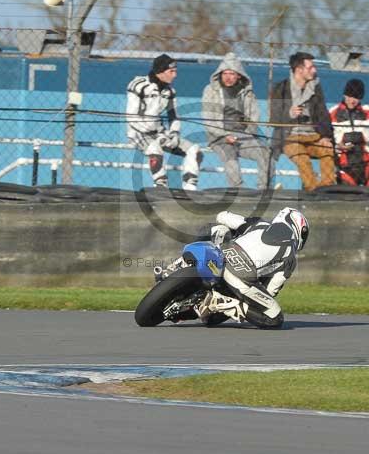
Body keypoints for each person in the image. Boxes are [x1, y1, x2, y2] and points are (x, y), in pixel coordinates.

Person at [199, 207, 308, 329]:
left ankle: (186, 264)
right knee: (275, 318)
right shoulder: (291, 257)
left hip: (218, 255)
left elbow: (222, 216)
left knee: (219, 229)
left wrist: (237, 232)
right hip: (240, 277)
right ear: (299, 228)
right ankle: (227, 304)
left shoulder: (258, 223)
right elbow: (271, 290)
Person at [126, 54, 202, 190]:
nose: (175, 75)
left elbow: (173, 116)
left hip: (159, 133)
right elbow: (131, 117)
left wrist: (174, 133)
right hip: (137, 133)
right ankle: (160, 186)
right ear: (160, 71)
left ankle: (190, 187)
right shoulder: (138, 85)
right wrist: (156, 136)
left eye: (176, 71)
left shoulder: (170, 91)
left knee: (194, 150)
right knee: (155, 149)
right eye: (171, 71)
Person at [201, 52, 270, 190]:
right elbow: (208, 119)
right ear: (219, 74)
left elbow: (253, 118)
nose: (228, 77)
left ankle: (263, 190)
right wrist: (224, 135)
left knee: (265, 152)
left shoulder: (247, 93)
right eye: (224, 73)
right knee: (230, 155)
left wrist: (249, 133)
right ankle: (239, 190)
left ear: (239, 75)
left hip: (242, 136)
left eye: (232, 74)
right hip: (218, 137)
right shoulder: (211, 91)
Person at [269, 52, 335, 191]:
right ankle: (312, 191)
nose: (314, 70)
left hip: (313, 136)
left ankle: (328, 189)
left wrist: (325, 136)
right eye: (310, 67)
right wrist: (289, 114)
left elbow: (323, 113)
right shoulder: (280, 89)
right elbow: (274, 119)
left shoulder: (315, 88)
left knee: (327, 150)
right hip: (290, 137)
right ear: (299, 70)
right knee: (302, 158)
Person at [329, 78, 369, 186]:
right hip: (344, 166)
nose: (352, 100)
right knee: (348, 195)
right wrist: (338, 146)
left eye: (356, 97)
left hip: (367, 165)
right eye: (350, 96)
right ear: (344, 95)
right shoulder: (332, 113)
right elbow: (326, 141)